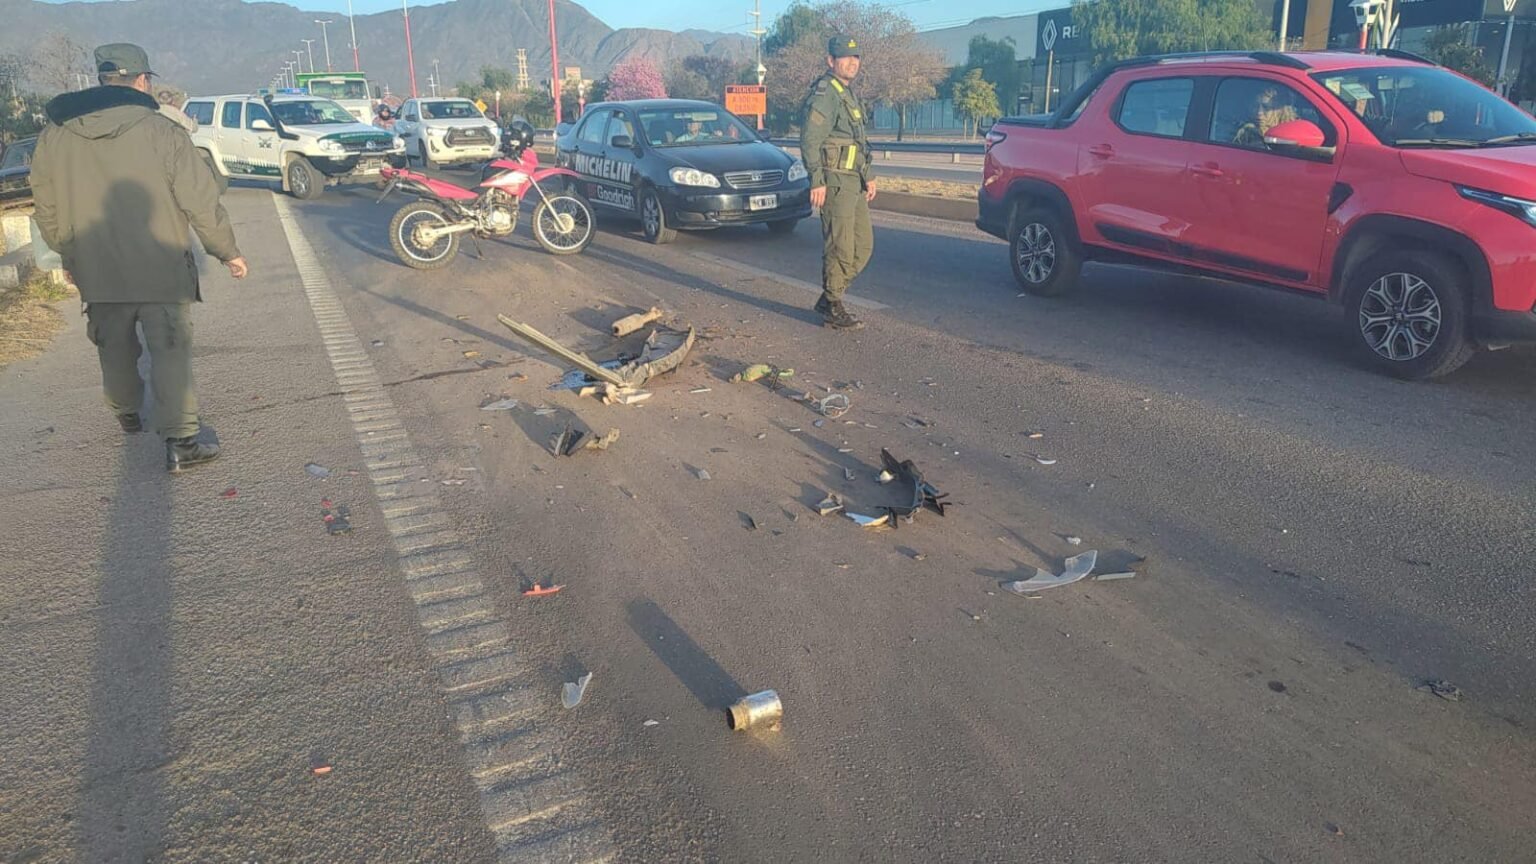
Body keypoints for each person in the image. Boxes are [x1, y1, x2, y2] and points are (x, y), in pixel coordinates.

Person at [30, 43, 247, 473]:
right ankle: (181, 442)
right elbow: (200, 200)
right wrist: (227, 251)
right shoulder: (162, 130)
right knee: (169, 347)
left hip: (96, 265)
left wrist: (67, 252)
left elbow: (46, 205)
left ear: (102, 79)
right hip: (161, 263)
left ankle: (127, 412)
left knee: (113, 344)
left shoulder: (55, 135)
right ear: (144, 81)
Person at [800, 34, 876, 331]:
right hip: (834, 183)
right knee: (840, 248)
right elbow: (810, 140)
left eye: (856, 57)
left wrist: (867, 175)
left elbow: (857, 141)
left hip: (853, 183)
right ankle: (832, 305)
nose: (852, 62)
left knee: (863, 247)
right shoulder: (826, 93)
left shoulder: (847, 93)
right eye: (845, 57)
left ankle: (828, 296)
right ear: (830, 61)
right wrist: (816, 180)